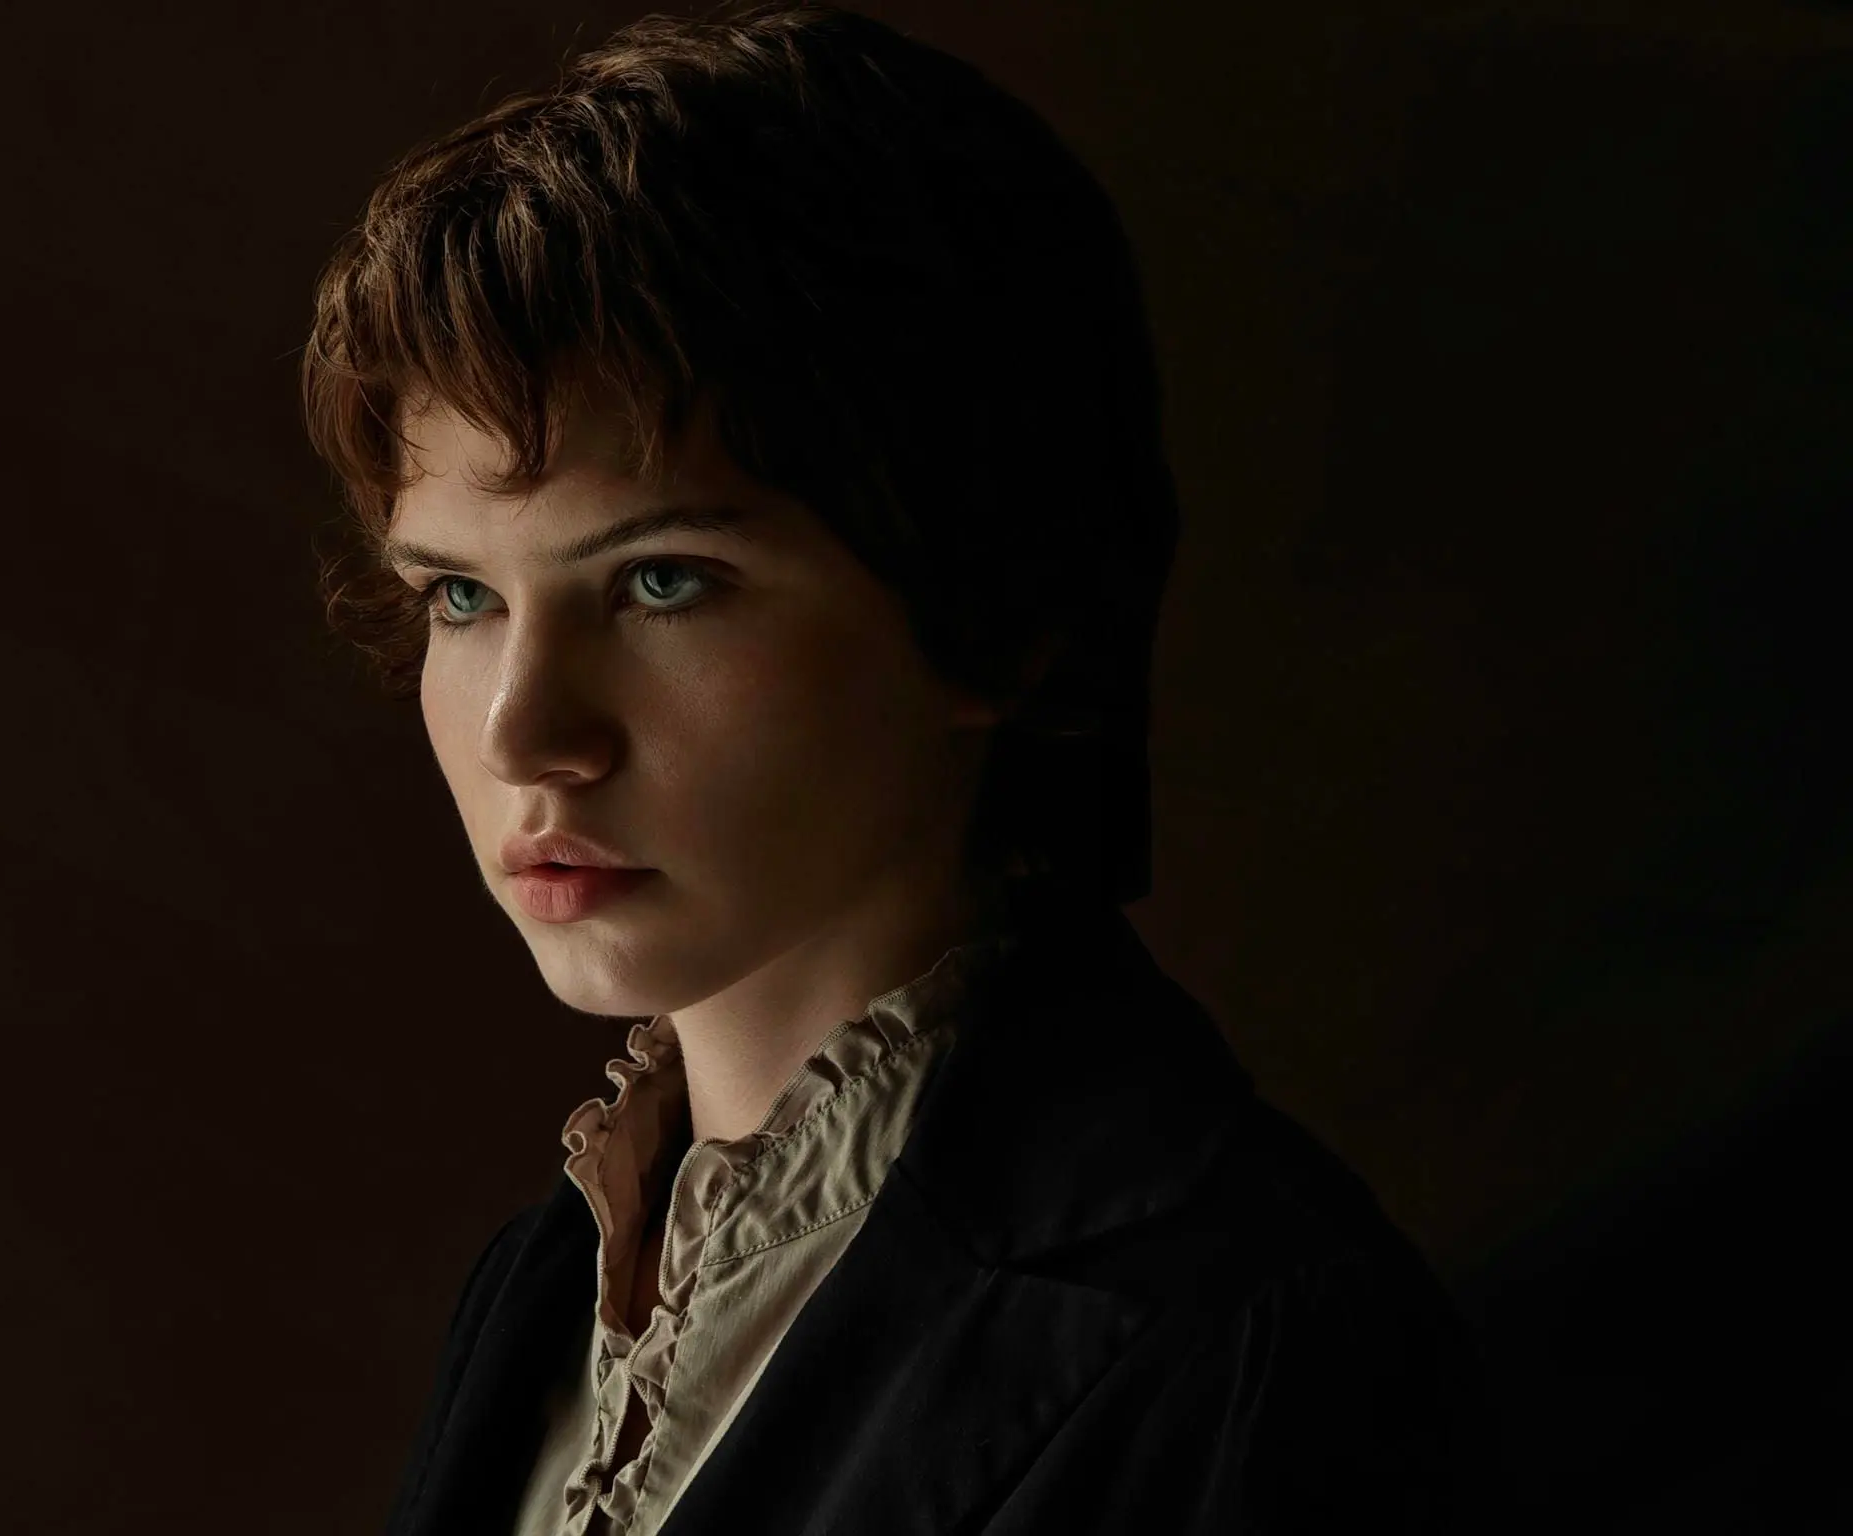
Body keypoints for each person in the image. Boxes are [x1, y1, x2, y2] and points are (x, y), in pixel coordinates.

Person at [299, 4, 1489, 1531]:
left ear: (998, 609)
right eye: (462, 596)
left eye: (663, 581)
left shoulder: (1255, 1351)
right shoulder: (539, 1293)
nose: (521, 731)